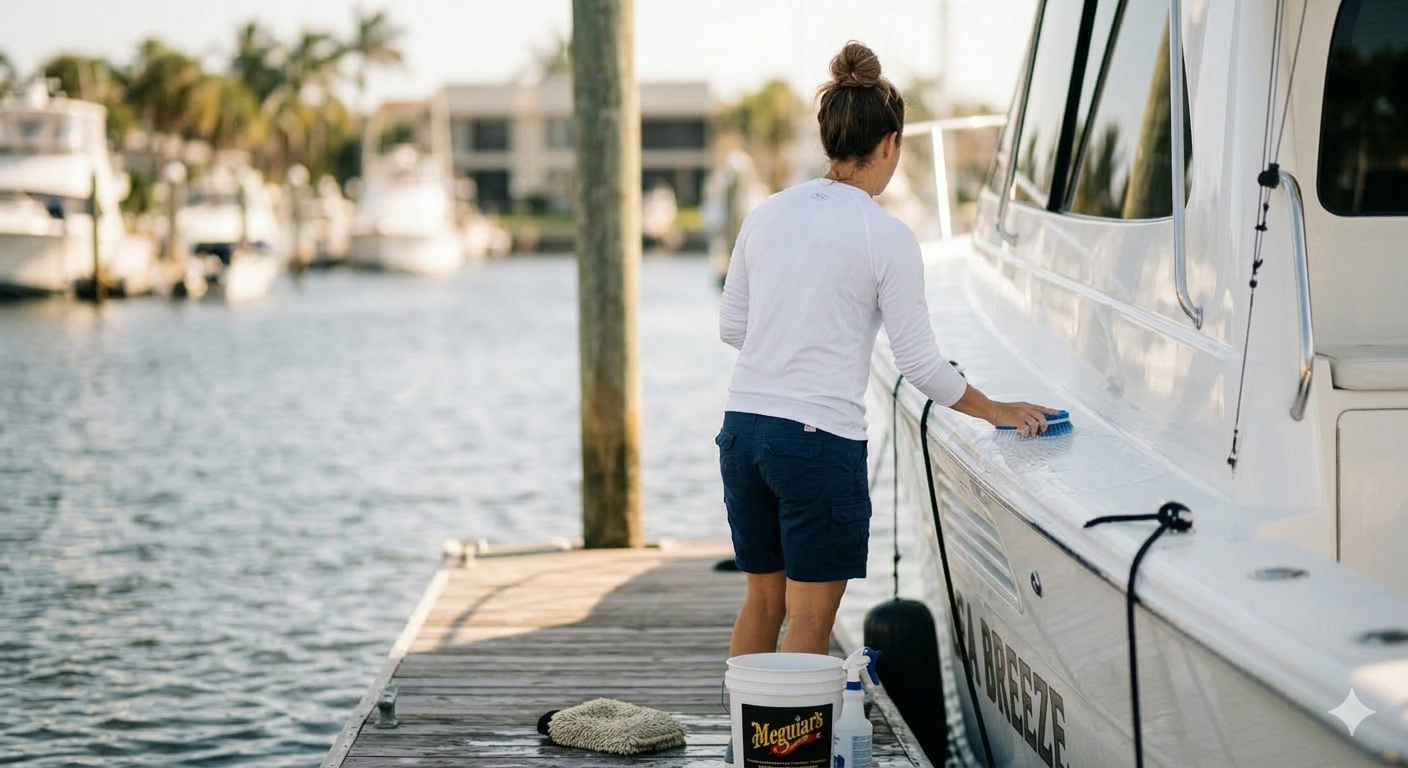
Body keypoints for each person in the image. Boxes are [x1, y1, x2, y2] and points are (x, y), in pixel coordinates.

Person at [716, 41, 1055, 658]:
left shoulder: (765, 215)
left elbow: (733, 328)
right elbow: (921, 365)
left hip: (742, 432)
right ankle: (788, 757)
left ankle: (747, 744)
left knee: (763, 604)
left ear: (829, 138)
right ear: (890, 144)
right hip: (816, 443)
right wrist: (998, 410)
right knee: (810, 622)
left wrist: (791, 340)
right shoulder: (887, 237)